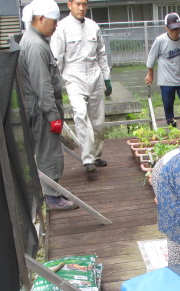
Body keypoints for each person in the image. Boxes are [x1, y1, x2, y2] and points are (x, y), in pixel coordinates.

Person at [18, 0, 78, 211]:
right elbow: (42, 85)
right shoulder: (34, 45)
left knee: (49, 151)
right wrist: (53, 116)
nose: (56, 26)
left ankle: (52, 189)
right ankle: (52, 197)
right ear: (41, 19)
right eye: (53, 22)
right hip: (43, 112)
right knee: (48, 153)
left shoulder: (36, 40)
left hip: (42, 110)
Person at [51, 0, 111, 173]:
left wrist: (106, 77)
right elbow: (57, 57)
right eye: (77, 4)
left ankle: (97, 155)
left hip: (95, 75)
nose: (81, 8)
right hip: (74, 76)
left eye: (84, 4)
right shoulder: (62, 28)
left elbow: (101, 53)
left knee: (98, 121)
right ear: (69, 5)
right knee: (81, 116)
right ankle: (88, 159)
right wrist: (57, 83)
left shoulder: (94, 27)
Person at [145, 13, 180, 132]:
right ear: (166, 28)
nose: (175, 32)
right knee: (168, 104)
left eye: (177, 28)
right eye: (172, 29)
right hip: (166, 80)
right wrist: (150, 74)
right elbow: (151, 58)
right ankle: (171, 126)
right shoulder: (160, 41)